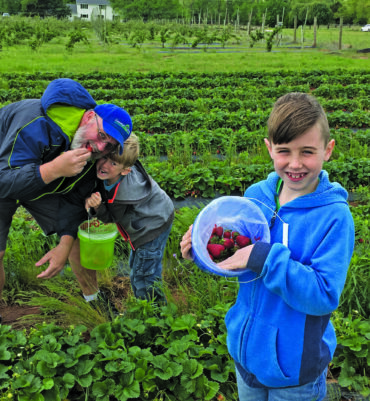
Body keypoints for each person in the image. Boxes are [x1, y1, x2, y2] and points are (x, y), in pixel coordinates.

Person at [180, 92, 355, 401]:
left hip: (294, 371)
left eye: (308, 152)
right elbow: (239, 255)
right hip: (246, 353)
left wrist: (264, 257)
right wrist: (205, 247)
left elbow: (324, 294)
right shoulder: (256, 195)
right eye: (284, 151)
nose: (295, 163)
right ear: (269, 148)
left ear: (328, 150)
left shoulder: (334, 217)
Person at [0, 78, 133, 321]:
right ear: (89, 116)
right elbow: (3, 182)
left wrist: (64, 243)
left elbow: (74, 201)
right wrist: (53, 170)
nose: (99, 146)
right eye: (101, 134)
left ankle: (94, 301)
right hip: (5, 172)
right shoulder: (35, 123)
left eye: (108, 145)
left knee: (77, 235)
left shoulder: (89, 154)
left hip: (43, 176)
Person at [85, 133, 174, 304]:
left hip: (151, 227)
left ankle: (153, 313)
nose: (104, 165)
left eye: (113, 163)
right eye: (104, 158)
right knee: (142, 263)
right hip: (158, 213)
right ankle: (150, 305)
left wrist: (98, 207)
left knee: (143, 275)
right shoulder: (119, 173)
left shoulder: (123, 194)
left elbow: (111, 217)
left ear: (125, 170)